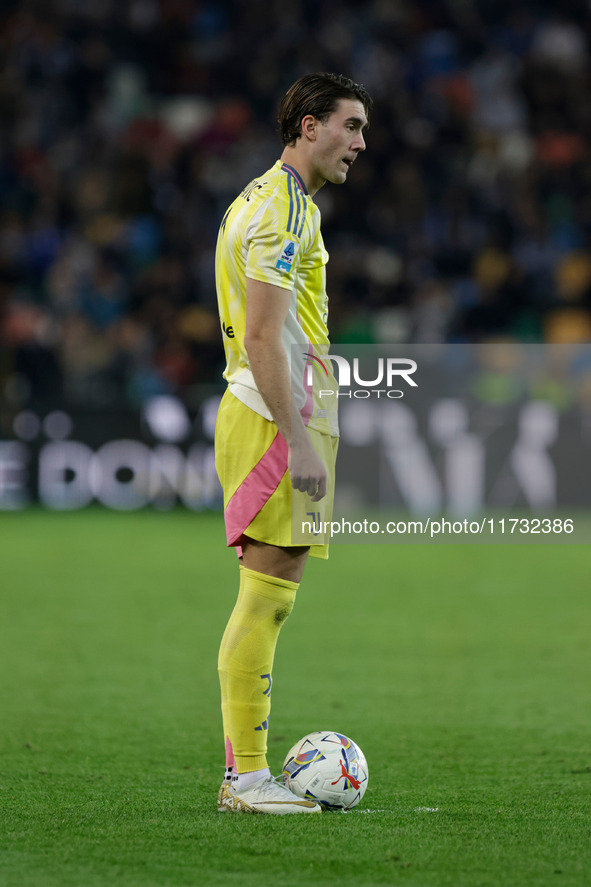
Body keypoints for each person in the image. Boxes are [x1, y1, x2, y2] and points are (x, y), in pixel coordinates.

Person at [214, 72, 372, 814]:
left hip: (289, 415)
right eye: (350, 126)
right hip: (278, 422)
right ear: (309, 126)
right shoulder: (279, 210)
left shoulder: (276, 202)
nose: (360, 143)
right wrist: (299, 443)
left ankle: (247, 774)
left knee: (274, 599)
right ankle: (246, 779)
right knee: (265, 596)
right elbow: (259, 334)